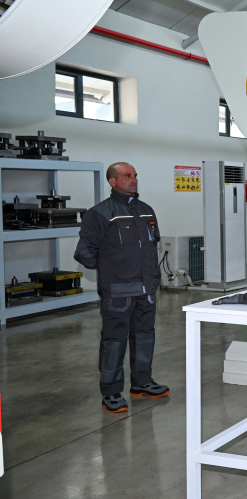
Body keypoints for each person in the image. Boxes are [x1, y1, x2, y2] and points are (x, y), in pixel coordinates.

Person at [75, 163, 168, 414]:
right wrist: (113, 270)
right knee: (114, 340)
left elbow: (152, 244)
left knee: (145, 335)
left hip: (147, 288)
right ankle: (111, 391)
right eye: (127, 176)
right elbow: (84, 253)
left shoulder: (146, 211)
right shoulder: (100, 213)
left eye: (135, 175)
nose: (133, 179)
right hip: (118, 291)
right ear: (113, 181)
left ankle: (142, 382)